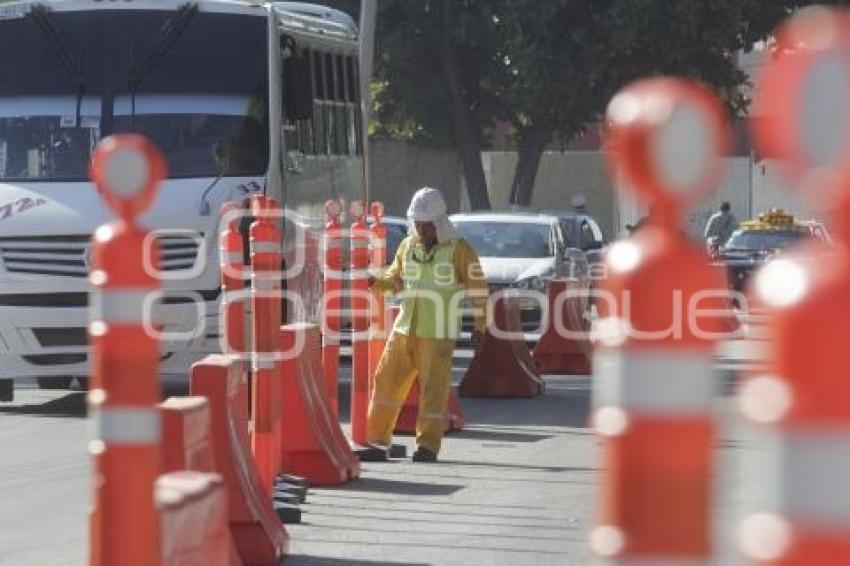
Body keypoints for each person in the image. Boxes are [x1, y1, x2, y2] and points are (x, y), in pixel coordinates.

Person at [364, 187, 488, 463]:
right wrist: (375, 283)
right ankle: (377, 441)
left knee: (433, 391)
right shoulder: (408, 247)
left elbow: (478, 289)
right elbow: (395, 279)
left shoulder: (459, 250)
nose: (421, 231)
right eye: (418, 225)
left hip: (438, 333)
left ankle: (428, 446)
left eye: (427, 226)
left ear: (440, 224)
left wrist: (481, 326)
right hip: (404, 328)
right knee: (385, 382)